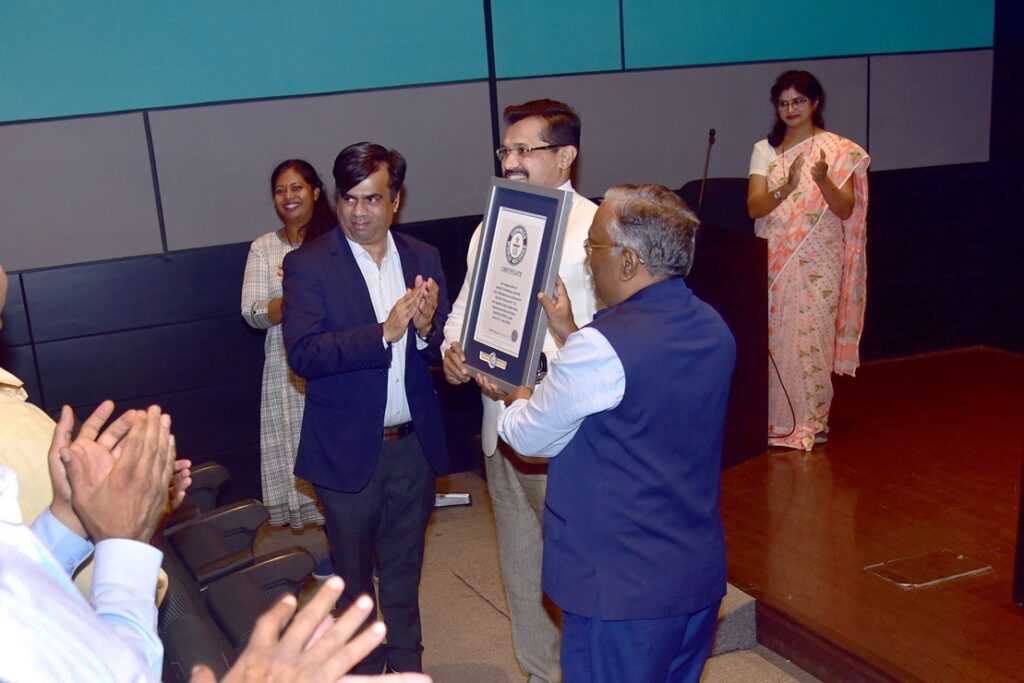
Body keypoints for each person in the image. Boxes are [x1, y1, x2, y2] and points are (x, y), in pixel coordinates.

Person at [489, 185, 736, 683]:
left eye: (593, 246)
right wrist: (569, 333)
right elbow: (636, 393)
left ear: (627, 262)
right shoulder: (713, 326)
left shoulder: (602, 348)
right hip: (692, 576)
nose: (587, 260)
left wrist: (514, 395)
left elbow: (532, 438)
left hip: (619, 589)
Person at [442, 98, 597, 683]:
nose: (510, 162)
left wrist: (538, 368)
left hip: (563, 434)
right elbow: (464, 313)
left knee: (576, 570)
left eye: (525, 150)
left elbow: (606, 341)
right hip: (498, 425)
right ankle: (539, 673)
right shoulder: (493, 226)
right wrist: (454, 354)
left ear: (566, 156)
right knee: (521, 565)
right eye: (506, 150)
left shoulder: (598, 230)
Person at [282, 142, 451, 675]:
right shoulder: (308, 264)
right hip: (346, 452)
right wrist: (383, 333)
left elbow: (441, 346)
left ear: (395, 200)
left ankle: (406, 666)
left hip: (413, 448)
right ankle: (361, 670)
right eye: (349, 198)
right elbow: (304, 353)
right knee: (354, 584)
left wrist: (426, 329)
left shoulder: (423, 258)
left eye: (372, 199)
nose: (358, 211)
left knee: (404, 572)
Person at [746, 70, 871, 451]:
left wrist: (823, 180)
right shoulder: (765, 150)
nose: (790, 109)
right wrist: (786, 186)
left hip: (820, 260)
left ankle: (812, 421)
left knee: (813, 339)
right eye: (783, 103)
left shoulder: (837, 151)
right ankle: (777, 420)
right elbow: (754, 207)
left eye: (798, 101)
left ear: (815, 103)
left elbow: (845, 209)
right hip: (775, 258)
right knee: (777, 339)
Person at [241, 159, 336, 541]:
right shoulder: (264, 248)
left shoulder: (338, 239)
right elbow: (252, 312)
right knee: (306, 457)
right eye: (280, 191)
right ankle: (337, 549)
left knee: (341, 454)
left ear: (315, 191)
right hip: (288, 371)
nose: (288, 196)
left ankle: (359, 549)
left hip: (335, 361)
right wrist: (294, 293)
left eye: (296, 187)